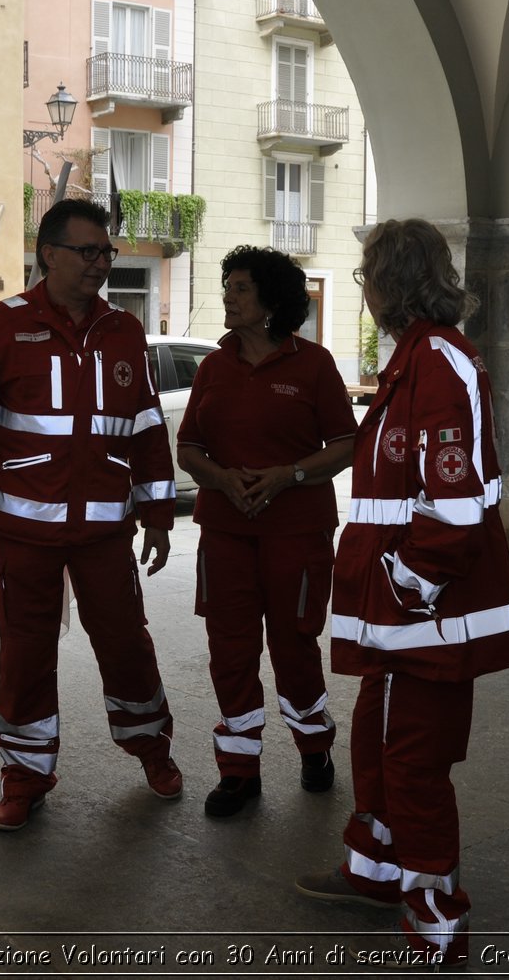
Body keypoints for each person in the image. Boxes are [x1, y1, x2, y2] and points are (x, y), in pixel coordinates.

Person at [295, 219, 509, 969]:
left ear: (390, 281)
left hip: (421, 617)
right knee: (377, 739)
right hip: (401, 620)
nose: (362, 289)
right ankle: (375, 869)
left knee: (413, 763)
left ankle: (436, 923)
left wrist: (405, 585)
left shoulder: (437, 361)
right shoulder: (416, 357)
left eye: (365, 276)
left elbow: (457, 503)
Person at [0, 198, 182, 832]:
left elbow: (148, 428)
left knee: (127, 644)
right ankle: (23, 777)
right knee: (25, 655)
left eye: (106, 253)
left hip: (106, 532)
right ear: (48, 254)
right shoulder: (0, 325)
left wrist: (158, 513)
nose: (100, 264)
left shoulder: (124, 331)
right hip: (26, 532)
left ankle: (151, 748)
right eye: (88, 252)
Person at [176, 246, 357, 819]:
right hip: (225, 533)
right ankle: (238, 771)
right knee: (229, 651)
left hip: (297, 535)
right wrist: (222, 480)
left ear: (272, 300)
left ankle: (315, 748)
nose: (229, 296)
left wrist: (290, 475)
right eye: (227, 286)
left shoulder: (314, 365)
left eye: (242, 288)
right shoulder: (213, 365)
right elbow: (188, 447)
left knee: (294, 646)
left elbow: (346, 445)